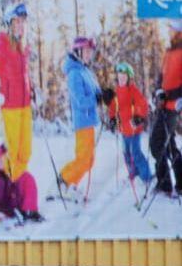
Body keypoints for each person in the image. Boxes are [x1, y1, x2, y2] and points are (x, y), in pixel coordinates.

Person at [0, 2, 33, 182]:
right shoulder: (2, 47)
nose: (20, 26)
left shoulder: (22, 48)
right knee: (12, 151)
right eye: (17, 22)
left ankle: (15, 185)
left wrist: (32, 92)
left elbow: (24, 76)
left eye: (22, 22)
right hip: (10, 107)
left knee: (25, 151)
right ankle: (6, 185)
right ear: (9, 24)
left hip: (26, 106)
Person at [58, 36, 102, 193]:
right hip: (82, 121)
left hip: (89, 120)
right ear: (77, 51)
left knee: (88, 160)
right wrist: (97, 99)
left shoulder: (85, 71)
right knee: (84, 160)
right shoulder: (75, 74)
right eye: (86, 51)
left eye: (91, 51)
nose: (89, 54)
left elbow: (96, 92)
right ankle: (64, 179)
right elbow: (81, 100)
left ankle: (69, 182)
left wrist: (104, 94)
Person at [0, 143, 42, 227]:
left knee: (26, 178)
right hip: (10, 206)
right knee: (26, 178)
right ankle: (28, 210)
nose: (4, 162)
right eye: (1, 161)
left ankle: (29, 209)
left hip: (11, 200)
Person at [151, 20, 182, 196]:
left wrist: (169, 95)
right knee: (169, 146)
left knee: (156, 144)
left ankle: (165, 186)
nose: (168, 31)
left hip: (173, 106)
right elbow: (161, 77)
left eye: (171, 28)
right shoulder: (169, 51)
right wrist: (158, 91)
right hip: (163, 105)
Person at [108, 62, 152, 184]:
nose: (121, 78)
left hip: (134, 129)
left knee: (136, 153)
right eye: (119, 76)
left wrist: (139, 117)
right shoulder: (116, 92)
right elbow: (113, 107)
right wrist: (112, 119)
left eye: (124, 76)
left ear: (129, 78)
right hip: (124, 130)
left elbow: (143, 104)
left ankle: (147, 177)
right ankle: (134, 173)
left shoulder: (133, 90)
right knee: (127, 154)